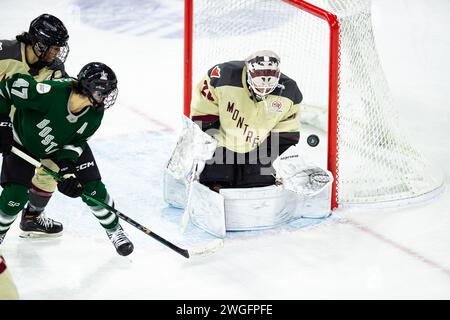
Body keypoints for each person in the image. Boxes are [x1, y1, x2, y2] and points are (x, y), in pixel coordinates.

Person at [0, 62, 134, 256]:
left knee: (94, 188)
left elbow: (77, 141)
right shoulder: (51, 93)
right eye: (102, 93)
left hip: (61, 145)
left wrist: (67, 168)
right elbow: (5, 89)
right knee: (16, 196)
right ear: (88, 89)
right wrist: (3, 121)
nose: (105, 98)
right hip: (24, 141)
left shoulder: (95, 114)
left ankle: (115, 230)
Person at [0, 14, 102, 240]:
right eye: (53, 48)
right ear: (38, 43)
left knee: (51, 163)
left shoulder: (55, 69)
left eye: (59, 48)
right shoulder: (4, 53)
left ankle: (32, 217)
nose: (57, 53)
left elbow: (62, 104)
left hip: (23, 130)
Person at [190, 50, 301, 190]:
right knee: (214, 182)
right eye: (259, 85)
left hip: (258, 148)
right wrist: (204, 146)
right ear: (248, 73)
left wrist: (282, 162)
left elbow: (286, 134)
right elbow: (203, 112)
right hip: (220, 145)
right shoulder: (222, 76)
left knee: (259, 186)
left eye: (268, 86)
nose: (263, 89)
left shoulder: (290, 92)